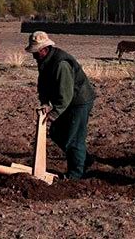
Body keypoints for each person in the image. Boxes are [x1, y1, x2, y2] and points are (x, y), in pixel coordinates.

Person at [25, 31, 96, 180]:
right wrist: (44, 102)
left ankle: (76, 174)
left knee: (73, 138)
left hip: (79, 101)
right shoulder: (44, 61)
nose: (34, 56)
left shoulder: (61, 64)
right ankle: (84, 159)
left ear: (44, 49)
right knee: (56, 132)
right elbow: (43, 85)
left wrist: (54, 113)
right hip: (67, 101)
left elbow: (66, 95)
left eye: (36, 52)